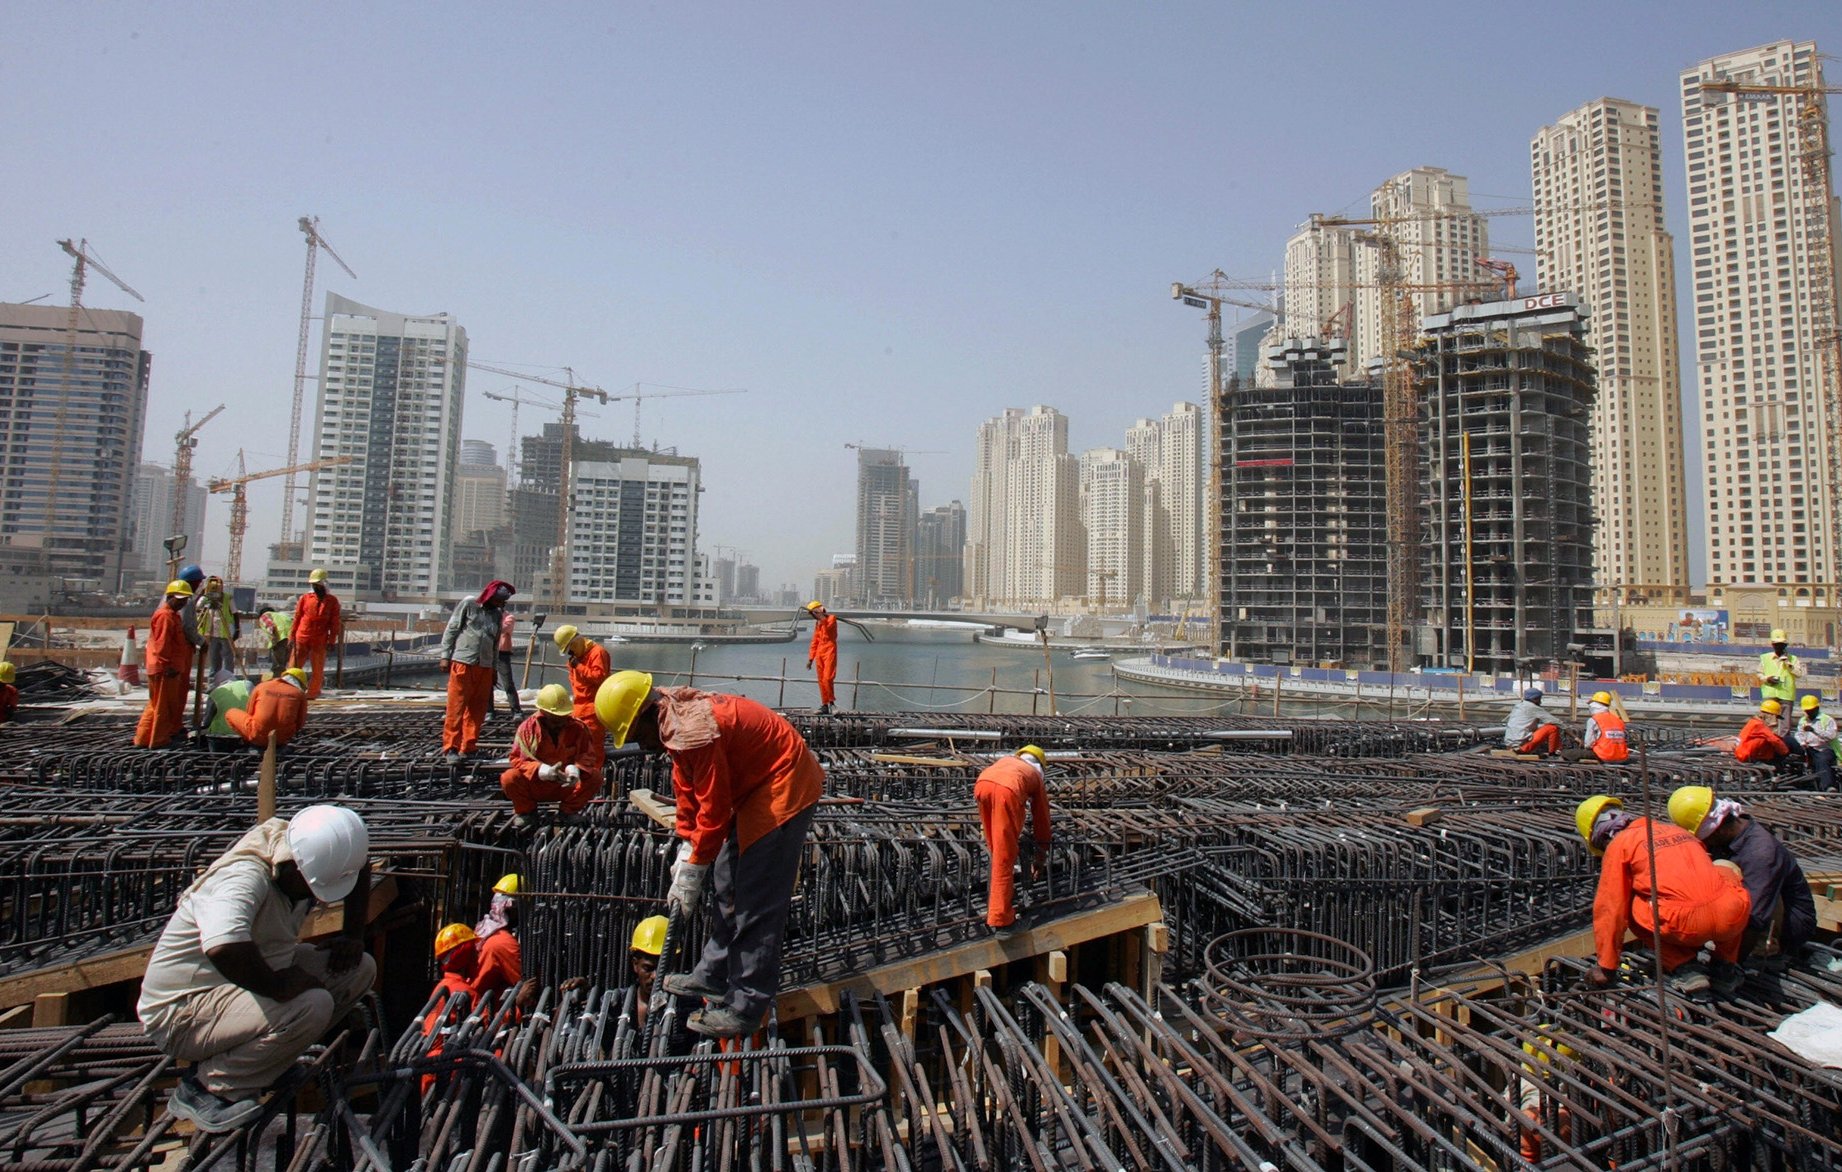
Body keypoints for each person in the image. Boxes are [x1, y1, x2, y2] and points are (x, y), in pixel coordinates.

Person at [597, 670, 822, 1038]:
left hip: (783, 782)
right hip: (752, 785)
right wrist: (688, 843)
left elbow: (714, 811)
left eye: (636, 736)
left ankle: (747, 1004)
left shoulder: (693, 731)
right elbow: (688, 787)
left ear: (647, 715)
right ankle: (712, 975)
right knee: (725, 882)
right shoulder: (673, 722)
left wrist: (693, 869)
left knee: (756, 899)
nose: (640, 746)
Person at [137, 805, 373, 1133]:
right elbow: (224, 946)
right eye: (313, 889)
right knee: (313, 1005)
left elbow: (359, 868)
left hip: (241, 989)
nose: (316, 900)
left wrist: (353, 935)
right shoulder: (242, 878)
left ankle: (266, 1063)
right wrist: (278, 986)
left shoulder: (303, 849)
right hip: (184, 1011)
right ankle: (209, 1089)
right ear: (294, 870)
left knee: (357, 968)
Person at [1575, 794, 1750, 997]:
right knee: (1724, 874)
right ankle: (1725, 966)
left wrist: (1606, 966)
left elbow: (1610, 908)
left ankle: (1684, 966)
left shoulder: (1620, 844)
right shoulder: (1677, 831)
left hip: (1684, 924)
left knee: (1630, 904)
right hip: (1731, 917)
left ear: (1602, 837)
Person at [1668, 786, 1818, 968]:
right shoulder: (1730, 837)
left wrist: (1729, 964)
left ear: (1719, 830)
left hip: (1785, 927)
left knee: (1724, 869)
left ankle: (1765, 949)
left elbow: (1756, 917)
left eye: (1705, 838)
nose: (1705, 843)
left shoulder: (1760, 853)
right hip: (1747, 915)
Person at [500, 684, 604, 829]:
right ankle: (527, 812)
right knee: (509, 778)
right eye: (555, 719)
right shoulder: (528, 729)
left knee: (595, 777)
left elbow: (588, 755)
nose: (561, 722)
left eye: (563, 717)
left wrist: (576, 769)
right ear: (543, 713)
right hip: (536, 784)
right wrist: (542, 770)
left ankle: (568, 811)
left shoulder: (578, 728)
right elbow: (517, 759)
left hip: (566, 785)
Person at [975, 745, 1053, 932]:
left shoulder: (1009, 762)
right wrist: (1040, 858)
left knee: (996, 849)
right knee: (1005, 856)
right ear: (1041, 766)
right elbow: (1042, 820)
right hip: (1006, 790)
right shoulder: (1034, 776)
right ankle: (1002, 919)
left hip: (982, 784)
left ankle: (998, 899)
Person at [439, 580, 514, 762]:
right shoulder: (469, 605)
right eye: (498, 600)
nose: (500, 604)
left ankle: (469, 746)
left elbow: (495, 643)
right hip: (464, 662)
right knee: (456, 707)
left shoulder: (497, 615)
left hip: (485, 666)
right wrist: (445, 655)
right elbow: (452, 629)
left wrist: (494, 668)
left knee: (477, 710)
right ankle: (451, 748)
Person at [134, 580, 197, 749]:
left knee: (156, 705)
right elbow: (162, 644)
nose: (183, 603)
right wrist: (167, 665)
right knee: (163, 707)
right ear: (170, 597)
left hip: (168, 667)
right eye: (180, 599)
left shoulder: (173, 616)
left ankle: (144, 738)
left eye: (185, 600)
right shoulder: (165, 616)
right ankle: (159, 740)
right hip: (165, 669)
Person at [554, 624, 612, 763]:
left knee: (594, 747)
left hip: (593, 709)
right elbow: (575, 684)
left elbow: (599, 678)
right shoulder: (575, 659)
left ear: (576, 641)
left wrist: (579, 667)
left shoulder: (597, 653)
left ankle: (593, 777)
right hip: (577, 709)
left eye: (570, 648)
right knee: (576, 747)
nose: (570, 652)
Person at [226, 668, 311, 750]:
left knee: (230, 712)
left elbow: (250, 711)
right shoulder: (299, 694)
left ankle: (249, 742)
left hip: (257, 734)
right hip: (282, 738)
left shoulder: (262, 686)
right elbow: (300, 722)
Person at [291, 569, 342, 699]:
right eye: (314, 585)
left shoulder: (332, 601)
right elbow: (297, 617)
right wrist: (291, 637)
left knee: (318, 669)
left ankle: (313, 693)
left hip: (320, 639)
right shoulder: (305, 598)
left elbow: (334, 623)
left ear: (324, 584)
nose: (316, 587)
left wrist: (332, 641)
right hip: (302, 637)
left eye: (318, 585)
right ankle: (290, 690)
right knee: (294, 667)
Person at [1758, 629, 1799, 735]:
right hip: (1770, 694)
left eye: (1781, 644)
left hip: (1786, 695)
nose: (1779, 647)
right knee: (1767, 722)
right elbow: (1758, 674)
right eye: (1776, 644)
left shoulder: (1793, 659)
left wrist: (1788, 664)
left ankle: (1783, 745)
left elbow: (1799, 674)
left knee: (1785, 725)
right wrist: (1767, 679)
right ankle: (1767, 742)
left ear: (1785, 645)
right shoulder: (1765, 658)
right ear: (1772, 645)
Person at [1793, 695, 1838, 792]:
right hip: (1809, 748)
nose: (1808, 712)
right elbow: (1799, 734)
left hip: (1825, 749)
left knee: (1822, 760)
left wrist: (1814, 730)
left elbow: (1831, 736)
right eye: (1807, 710)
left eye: (1811, 710)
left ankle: (1828, 787)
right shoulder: (1803, 720)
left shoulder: (1827, 720)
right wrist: (1802, 742)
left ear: (1817, 708)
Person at [196, 576, 240, 676]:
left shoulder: (227, 598)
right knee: (214, 656)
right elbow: (197, 606)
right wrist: (203, 595)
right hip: (211, 632)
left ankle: (228, 676)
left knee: (228, 656)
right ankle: (213, 676)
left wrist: (237, 629)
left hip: (225, 631)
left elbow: (235, 613)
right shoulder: (206, 598)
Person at [200, 669, 254, 748]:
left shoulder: (215, 693)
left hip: (219, 738)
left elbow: (206, 722)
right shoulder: (247, 685)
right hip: (246, 732)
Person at [1504, 688, 1562, 756]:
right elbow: (1558, 722)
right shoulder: (1533, 708)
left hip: (1509, 745)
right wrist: (1575, 737)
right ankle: (1552, 753)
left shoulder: (1518, 706)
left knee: (1540, 729)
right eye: (1539, 699)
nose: (1540, 702)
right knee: (1552, 728)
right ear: (1535, 699)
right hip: (1521, 747)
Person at [805, 601, 839, 715]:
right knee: (821, 680)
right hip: (820, 652)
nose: (813, 616)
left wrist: (821, 617)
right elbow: (815, 641)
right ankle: (824, 704)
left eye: (814, 613)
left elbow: (828, 629)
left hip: (829, 650)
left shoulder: (831, 619)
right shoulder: (818, 624)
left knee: (827, 678)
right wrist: (811, 659)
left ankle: (832, 703)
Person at [1735, 700, 1793, 764]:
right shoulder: (1759, 725)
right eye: (1776, 717)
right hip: (1748, 755)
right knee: (1788, 741)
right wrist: (1786, 753)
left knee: (1780, 740)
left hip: (1743, 753)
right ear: (1771, 715)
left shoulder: (1753, 722)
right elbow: (1775, 740)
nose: (1776, 720)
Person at [490, 610, 522, 718]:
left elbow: (502, 629)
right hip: (488, 653)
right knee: (488, 683)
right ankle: (489, 710)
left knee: (508, 683)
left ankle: (516, 710)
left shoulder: (509, 617)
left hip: (502, 654)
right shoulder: (489, 615)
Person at [1580, 691, 1629, 763]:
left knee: (1569, 754)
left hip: (1604, 756)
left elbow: (1588, 744)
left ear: (1593, 706)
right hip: (1622, 757)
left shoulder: (1594, 720)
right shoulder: (1618, 720)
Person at [255, 606, 293, 680]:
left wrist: (274, 642)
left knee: (278, 665)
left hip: (281, 639)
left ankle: (276, 683)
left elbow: (271, 627)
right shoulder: (283, 615)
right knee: (288, 664)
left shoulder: (265, 616)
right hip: (293, 639)